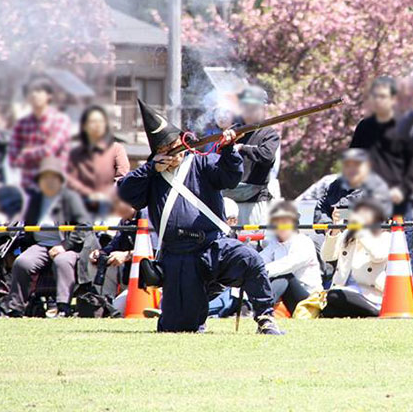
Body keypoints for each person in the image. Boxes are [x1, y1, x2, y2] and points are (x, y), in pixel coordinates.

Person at [116, 99, 282, 334]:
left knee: (250, 259)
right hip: (177, 257)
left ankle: (265, 317)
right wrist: (150, 168)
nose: (171, 153)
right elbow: (125, 193)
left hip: (212, 245)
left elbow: (230, 177)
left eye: (172, 146)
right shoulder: (149, 177)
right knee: (179, 327)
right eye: (164, 150)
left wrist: (228, 150)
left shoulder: (203, 162)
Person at [5, 157, 90, 317]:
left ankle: (63, 307)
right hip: (41, 245)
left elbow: (83, 227)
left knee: (62, 261)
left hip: (68, 246)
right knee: (22, 262)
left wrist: (63, 246)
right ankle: (16, 308)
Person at [350, 76, 413, 219]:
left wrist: (403, 189)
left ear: (394, 99)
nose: (378, 100)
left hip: (399, 199)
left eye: (383, 96)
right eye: (375, 96)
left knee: (399, 240)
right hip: (370, 198)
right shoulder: (364, 127)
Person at [319, 198, 391, 317]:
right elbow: (327, 256)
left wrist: (360, 231)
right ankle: (361, 313)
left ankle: (375, 312)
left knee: (334, 297)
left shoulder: (385, 236)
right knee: (329, 309)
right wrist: (335, 229)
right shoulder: (349, 234)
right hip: (344, 289)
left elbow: (378, 256)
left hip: (370, 294)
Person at [224, 86, 281, 231]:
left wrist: (243, 148)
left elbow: (267, 155)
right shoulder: (234, 130)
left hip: (254, 200)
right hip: (228, 198)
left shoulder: (269, 133)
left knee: (251, 243)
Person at [8, 79, 73, 191]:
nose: (34, 94)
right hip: (27, 186)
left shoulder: (60, 120)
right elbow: (13, 160)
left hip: (53, 185)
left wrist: (25, 153)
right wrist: (38, 154)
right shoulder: (21, 124)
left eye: (38, 90)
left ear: (49, 95)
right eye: (30, 91)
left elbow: (49, 150)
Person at [66, 105, 130, 217]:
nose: (97, 125)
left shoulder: (116, 148)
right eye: (93, 121)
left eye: (101, 121)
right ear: (84, 126)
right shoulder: (76, 152)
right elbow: (71, 179)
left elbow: (123, 176)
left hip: (111, 203)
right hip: (81, 203)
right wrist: (89, 194)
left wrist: (106, 193)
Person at [259, 201, 323, 313]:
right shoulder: (274, 243)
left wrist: (259, 271)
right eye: (277, 222)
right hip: (287, 299)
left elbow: (288, 265)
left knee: (284, 276)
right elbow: (259, 261)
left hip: (309, 299)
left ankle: (261, 309)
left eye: (285, 222)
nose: (281, 226)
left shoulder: (304, 242)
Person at [313, 149, 390, 225]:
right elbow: (321, 209)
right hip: (338, 234)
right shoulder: (335, 186)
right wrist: (331, 227)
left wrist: (347, 214)